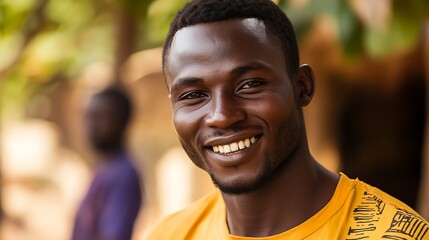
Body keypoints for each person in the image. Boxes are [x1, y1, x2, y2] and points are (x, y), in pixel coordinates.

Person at [146, 0, 429, 239]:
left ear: (302, 87)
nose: (222, 116)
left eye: (250, 84)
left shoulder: (392, 234)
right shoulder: (171, 234)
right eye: (194, 94)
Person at [72, 86, 142, 240]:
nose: (92, 126)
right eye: (89, 117)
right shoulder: (104, 169)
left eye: (100, 117)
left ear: (122, 121)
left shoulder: (123, 175)